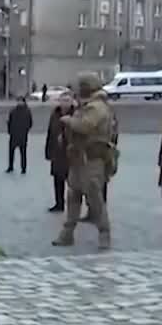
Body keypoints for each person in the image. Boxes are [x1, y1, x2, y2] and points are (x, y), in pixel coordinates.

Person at [52, 73, 113, 250]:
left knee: (94, 198)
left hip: (92, 159)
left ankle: (104, 233)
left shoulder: (97, 108)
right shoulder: (86, 105)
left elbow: (85, 126)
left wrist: (68, 120)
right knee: (73, 196)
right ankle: (67, 233)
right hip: (79, 158)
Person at [44, 93, 71, 212]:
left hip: (72, 155)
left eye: (67, 100)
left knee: (74, 184)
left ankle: (73, 207)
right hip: (57, 153)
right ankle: (59, 204)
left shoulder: (76, 114)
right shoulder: (54, 115)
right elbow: (50, 133)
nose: (65, 103)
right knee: (57, 180)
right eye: (63, 100)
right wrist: (48, 151)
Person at [5, 96, 33, 174]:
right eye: (18, 101)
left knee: (23, 153)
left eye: (21, 101)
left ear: (24, 102)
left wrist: (25, 130)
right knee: (11, 152)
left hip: (22, 135)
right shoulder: (13, 111)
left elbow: (30, 123)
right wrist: (10, 131)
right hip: (13, 134)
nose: (19, 102)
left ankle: (23, 168)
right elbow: (9, 121)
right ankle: (10, 167)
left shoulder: (27, 111)